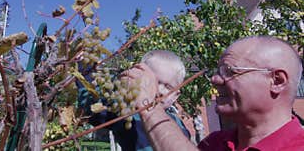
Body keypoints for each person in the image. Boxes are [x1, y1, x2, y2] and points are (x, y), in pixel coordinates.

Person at [124, 36, 304, 150]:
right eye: (217, 72)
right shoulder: (215, 143)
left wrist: (148, 105)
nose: (215, 80)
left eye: (229, 71)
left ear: (277, 81)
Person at [78, 50, 190, 150]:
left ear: (175, 96)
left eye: (167, 87)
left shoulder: (179, 125)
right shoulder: (127, 112)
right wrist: (84, 66)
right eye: (151, 81)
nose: (158, 90)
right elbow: (90, 106)